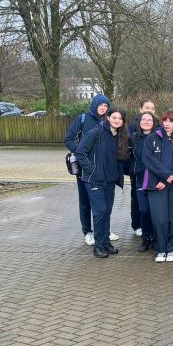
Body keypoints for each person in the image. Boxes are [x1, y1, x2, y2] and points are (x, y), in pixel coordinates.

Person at [75, 106, 129, 258]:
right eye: (114, 117)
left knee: (106, 212)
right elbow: (80, 151)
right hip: (94, 181)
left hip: (109, 181)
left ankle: (105, 243)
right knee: (99, 212)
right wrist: (91, 169)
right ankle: (98, 246)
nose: (117, 120)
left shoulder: (119, 135)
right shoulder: (96, 132)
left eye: (120, 118)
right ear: (108, 117)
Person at [64, 93, 113, 245]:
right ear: (94, 104)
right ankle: (87, 231)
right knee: (85, 201)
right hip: (85, 168)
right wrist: (80, 153)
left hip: (103, 170)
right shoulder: (83, 119)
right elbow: (68, 138)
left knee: (103, 203)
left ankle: (104, 230)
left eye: (106, 105)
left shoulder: (109, 121)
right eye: (100, 104)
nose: (103, 108)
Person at [143, 111, 173, 262]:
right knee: (159, 219)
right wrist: (164, 176)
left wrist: (168, 179)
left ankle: (172, 249)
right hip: (155, 185)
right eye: (165, 120)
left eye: (172, 121)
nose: (168, 124)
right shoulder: (151, 138)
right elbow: (149, 159)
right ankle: (161, 249)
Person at [130, 110, 156, 253]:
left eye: (149, 120)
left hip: (156, 180)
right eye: (144, 119)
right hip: (140, 179)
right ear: (139, 122)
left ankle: (156, 237)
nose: (146, 122)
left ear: (154, 123)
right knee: (144, 210)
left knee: (155, 211)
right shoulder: (133, 138)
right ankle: (146, 238)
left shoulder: (159, 137)